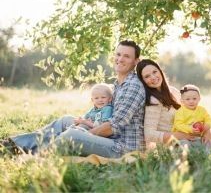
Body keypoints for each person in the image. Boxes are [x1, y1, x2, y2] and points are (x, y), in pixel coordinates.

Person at [1, 40, 146, 158]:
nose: (120, 59)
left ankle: (29, 154)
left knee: (71, 134)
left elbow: (113, 126)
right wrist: (82, 123)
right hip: (111, 137)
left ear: (135, 61)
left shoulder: (133, 86)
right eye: (118, 54)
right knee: (65, 121)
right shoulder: (118, 84)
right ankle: (12, 144)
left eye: (126, 56)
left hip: (121, 147)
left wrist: (84, 133)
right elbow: (104, 116)